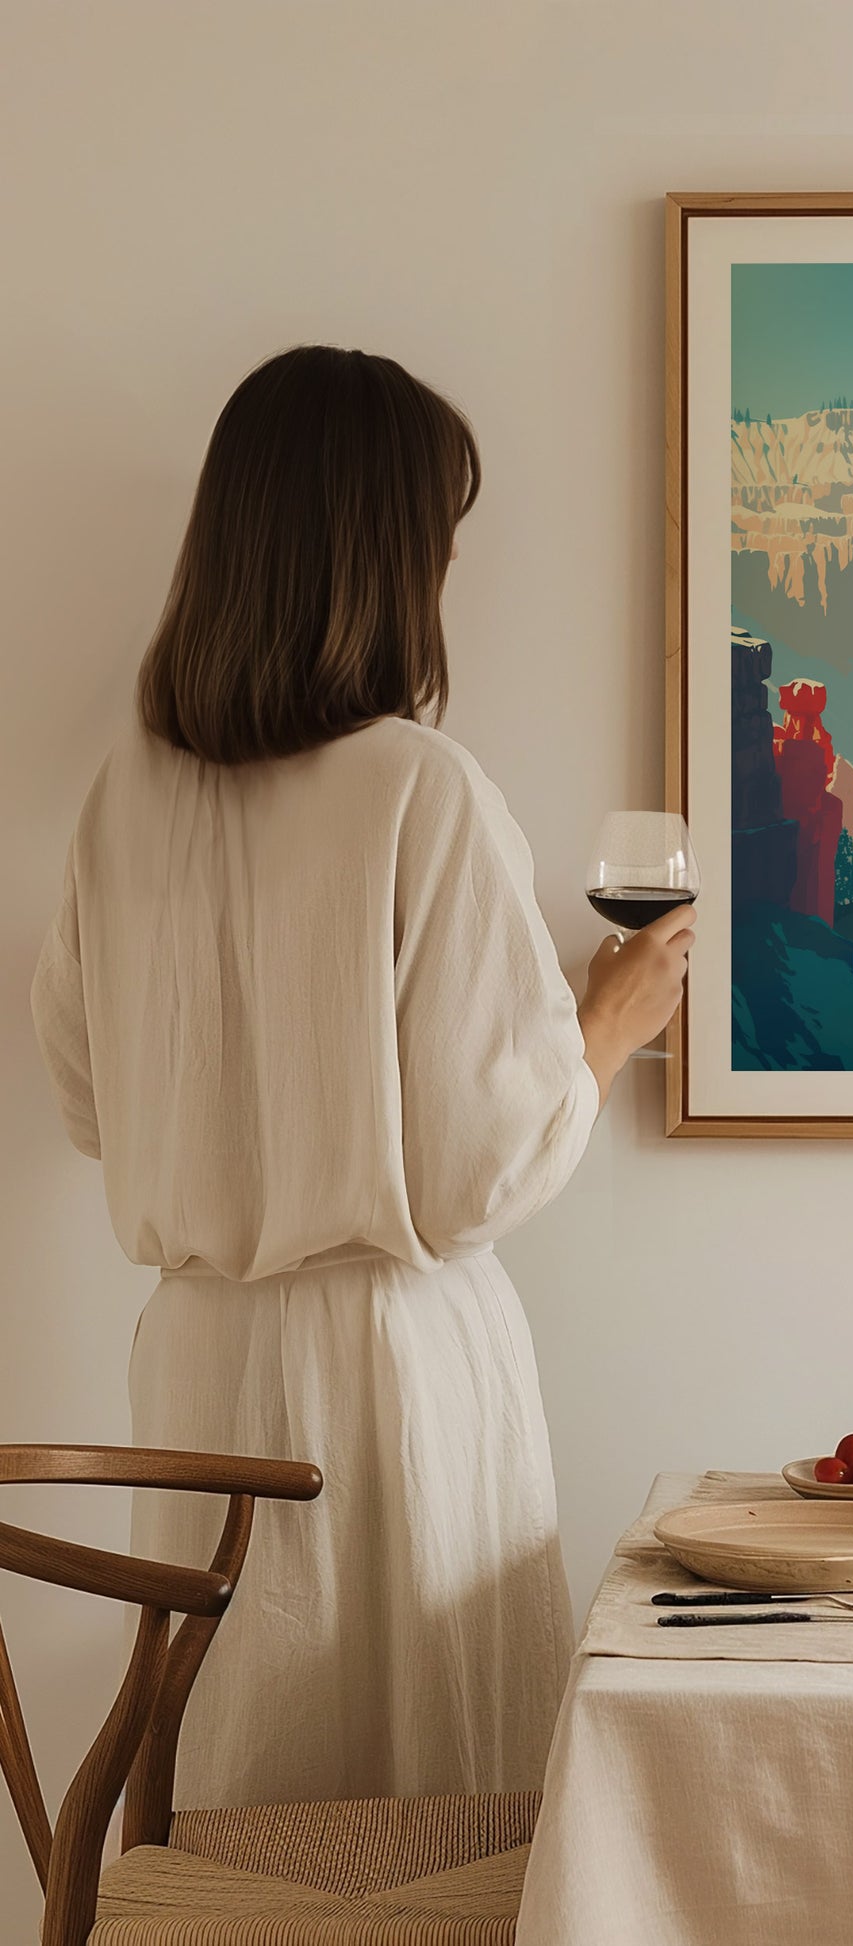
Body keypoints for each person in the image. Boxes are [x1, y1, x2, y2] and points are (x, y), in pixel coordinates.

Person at [30, 346, 690, 1808]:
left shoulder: (122, 798)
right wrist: (606, 1019)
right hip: (391, 1372)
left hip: (196, 1361)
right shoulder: (418, 785)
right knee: (424, 1810)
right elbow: (475, 1171)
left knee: (241, 1792)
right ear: (386, 557)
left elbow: (88, 1100)